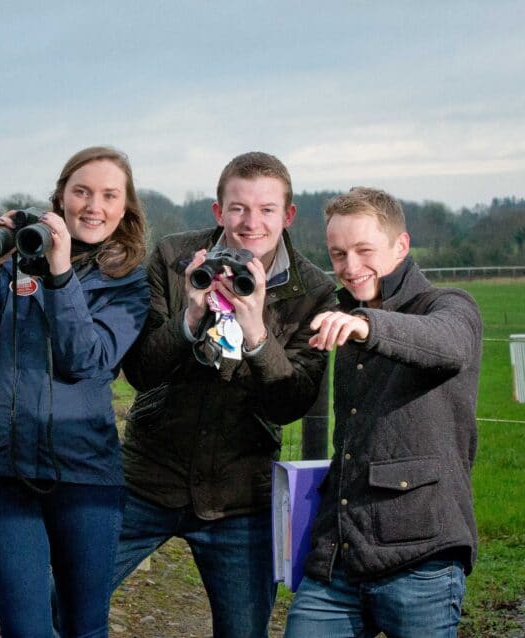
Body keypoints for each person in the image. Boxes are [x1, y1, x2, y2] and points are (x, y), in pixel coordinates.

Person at [116, 152, 337, 638]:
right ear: (218, 211)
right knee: (63, 598)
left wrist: (257, 331)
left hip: (241, 497)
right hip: (150, 477)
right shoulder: (176, 259)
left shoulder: (314, 291)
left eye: (266, 209)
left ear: (288, 215)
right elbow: (142, 371)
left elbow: (291, 402)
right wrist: (190, 319)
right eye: (237, 208)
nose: (250, 222)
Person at [0, 146, 150, 637]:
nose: (92, 205)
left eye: (108, 195)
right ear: (60, 197)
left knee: (84, 628)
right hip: (1, 469)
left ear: (125, 210)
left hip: (85, 476)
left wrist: (59, 276)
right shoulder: (16, 260)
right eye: (81, 191)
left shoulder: (127, 282)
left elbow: (88, 361)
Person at [284, 187, 481, 638]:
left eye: (364, 250)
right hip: (338, 558)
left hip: (422, 561)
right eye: (338, 254)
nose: (350, 267)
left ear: (402, 245)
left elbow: (448, 343)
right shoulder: (340, 313)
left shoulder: (451, 306)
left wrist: (368, 326)